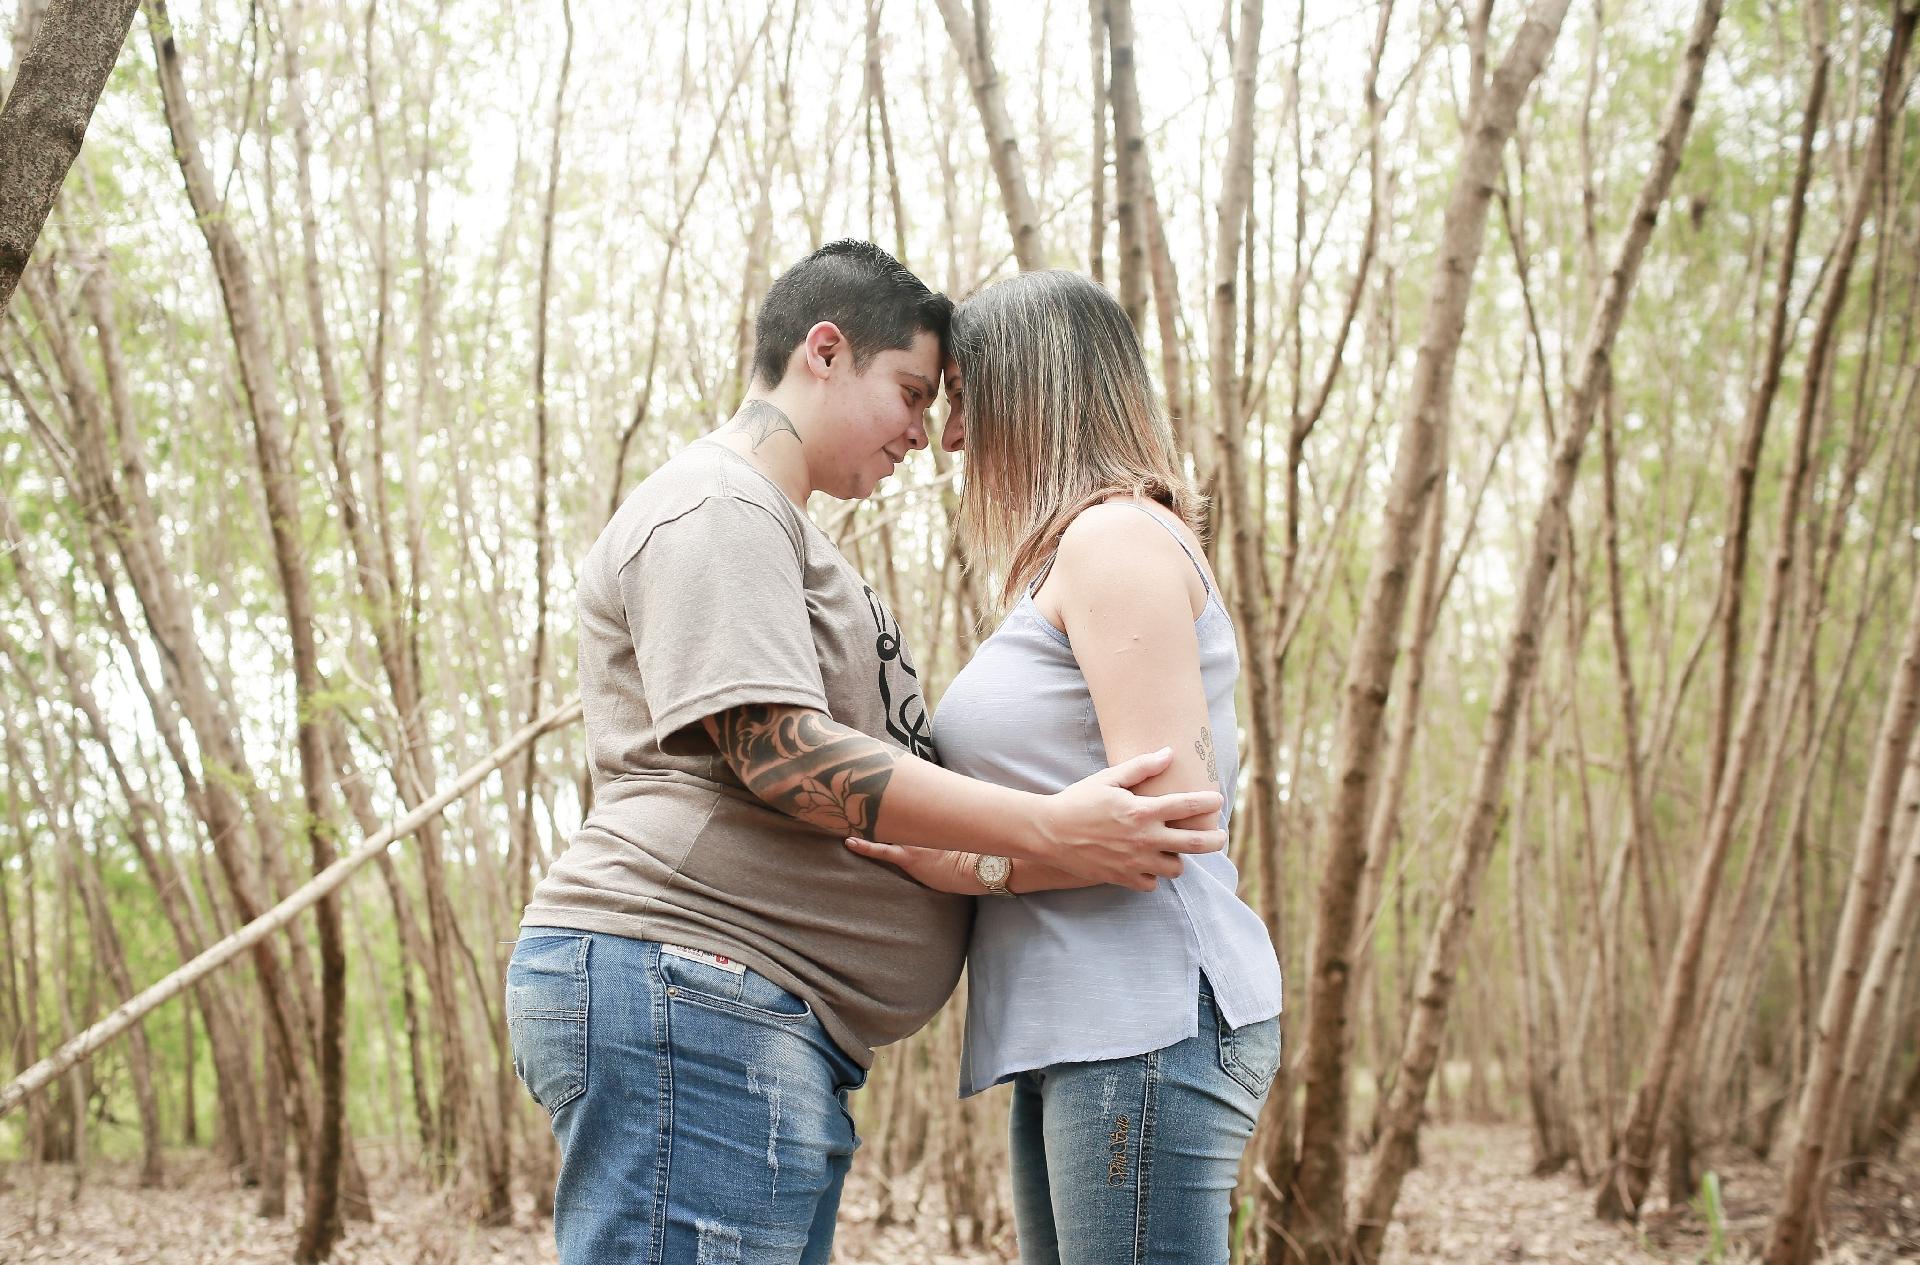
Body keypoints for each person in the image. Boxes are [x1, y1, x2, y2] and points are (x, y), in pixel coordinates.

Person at [507, 241, 1228, 1265]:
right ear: (827, 352)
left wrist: (978, 861)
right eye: (913, 392)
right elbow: (778, 752)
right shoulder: (717, 504)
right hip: (690, 988)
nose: (931, 435)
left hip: (749, 1012)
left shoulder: (780, 527)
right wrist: (1047, 826)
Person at [847, 270, 1284, 1265]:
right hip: (1082, 1030)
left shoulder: (1115, 538)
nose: (948, 438)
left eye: (962, 397)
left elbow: (1163, 822)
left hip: (1144, 1021)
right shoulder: (1070, 556)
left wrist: (957, 862)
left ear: (1031, 396)